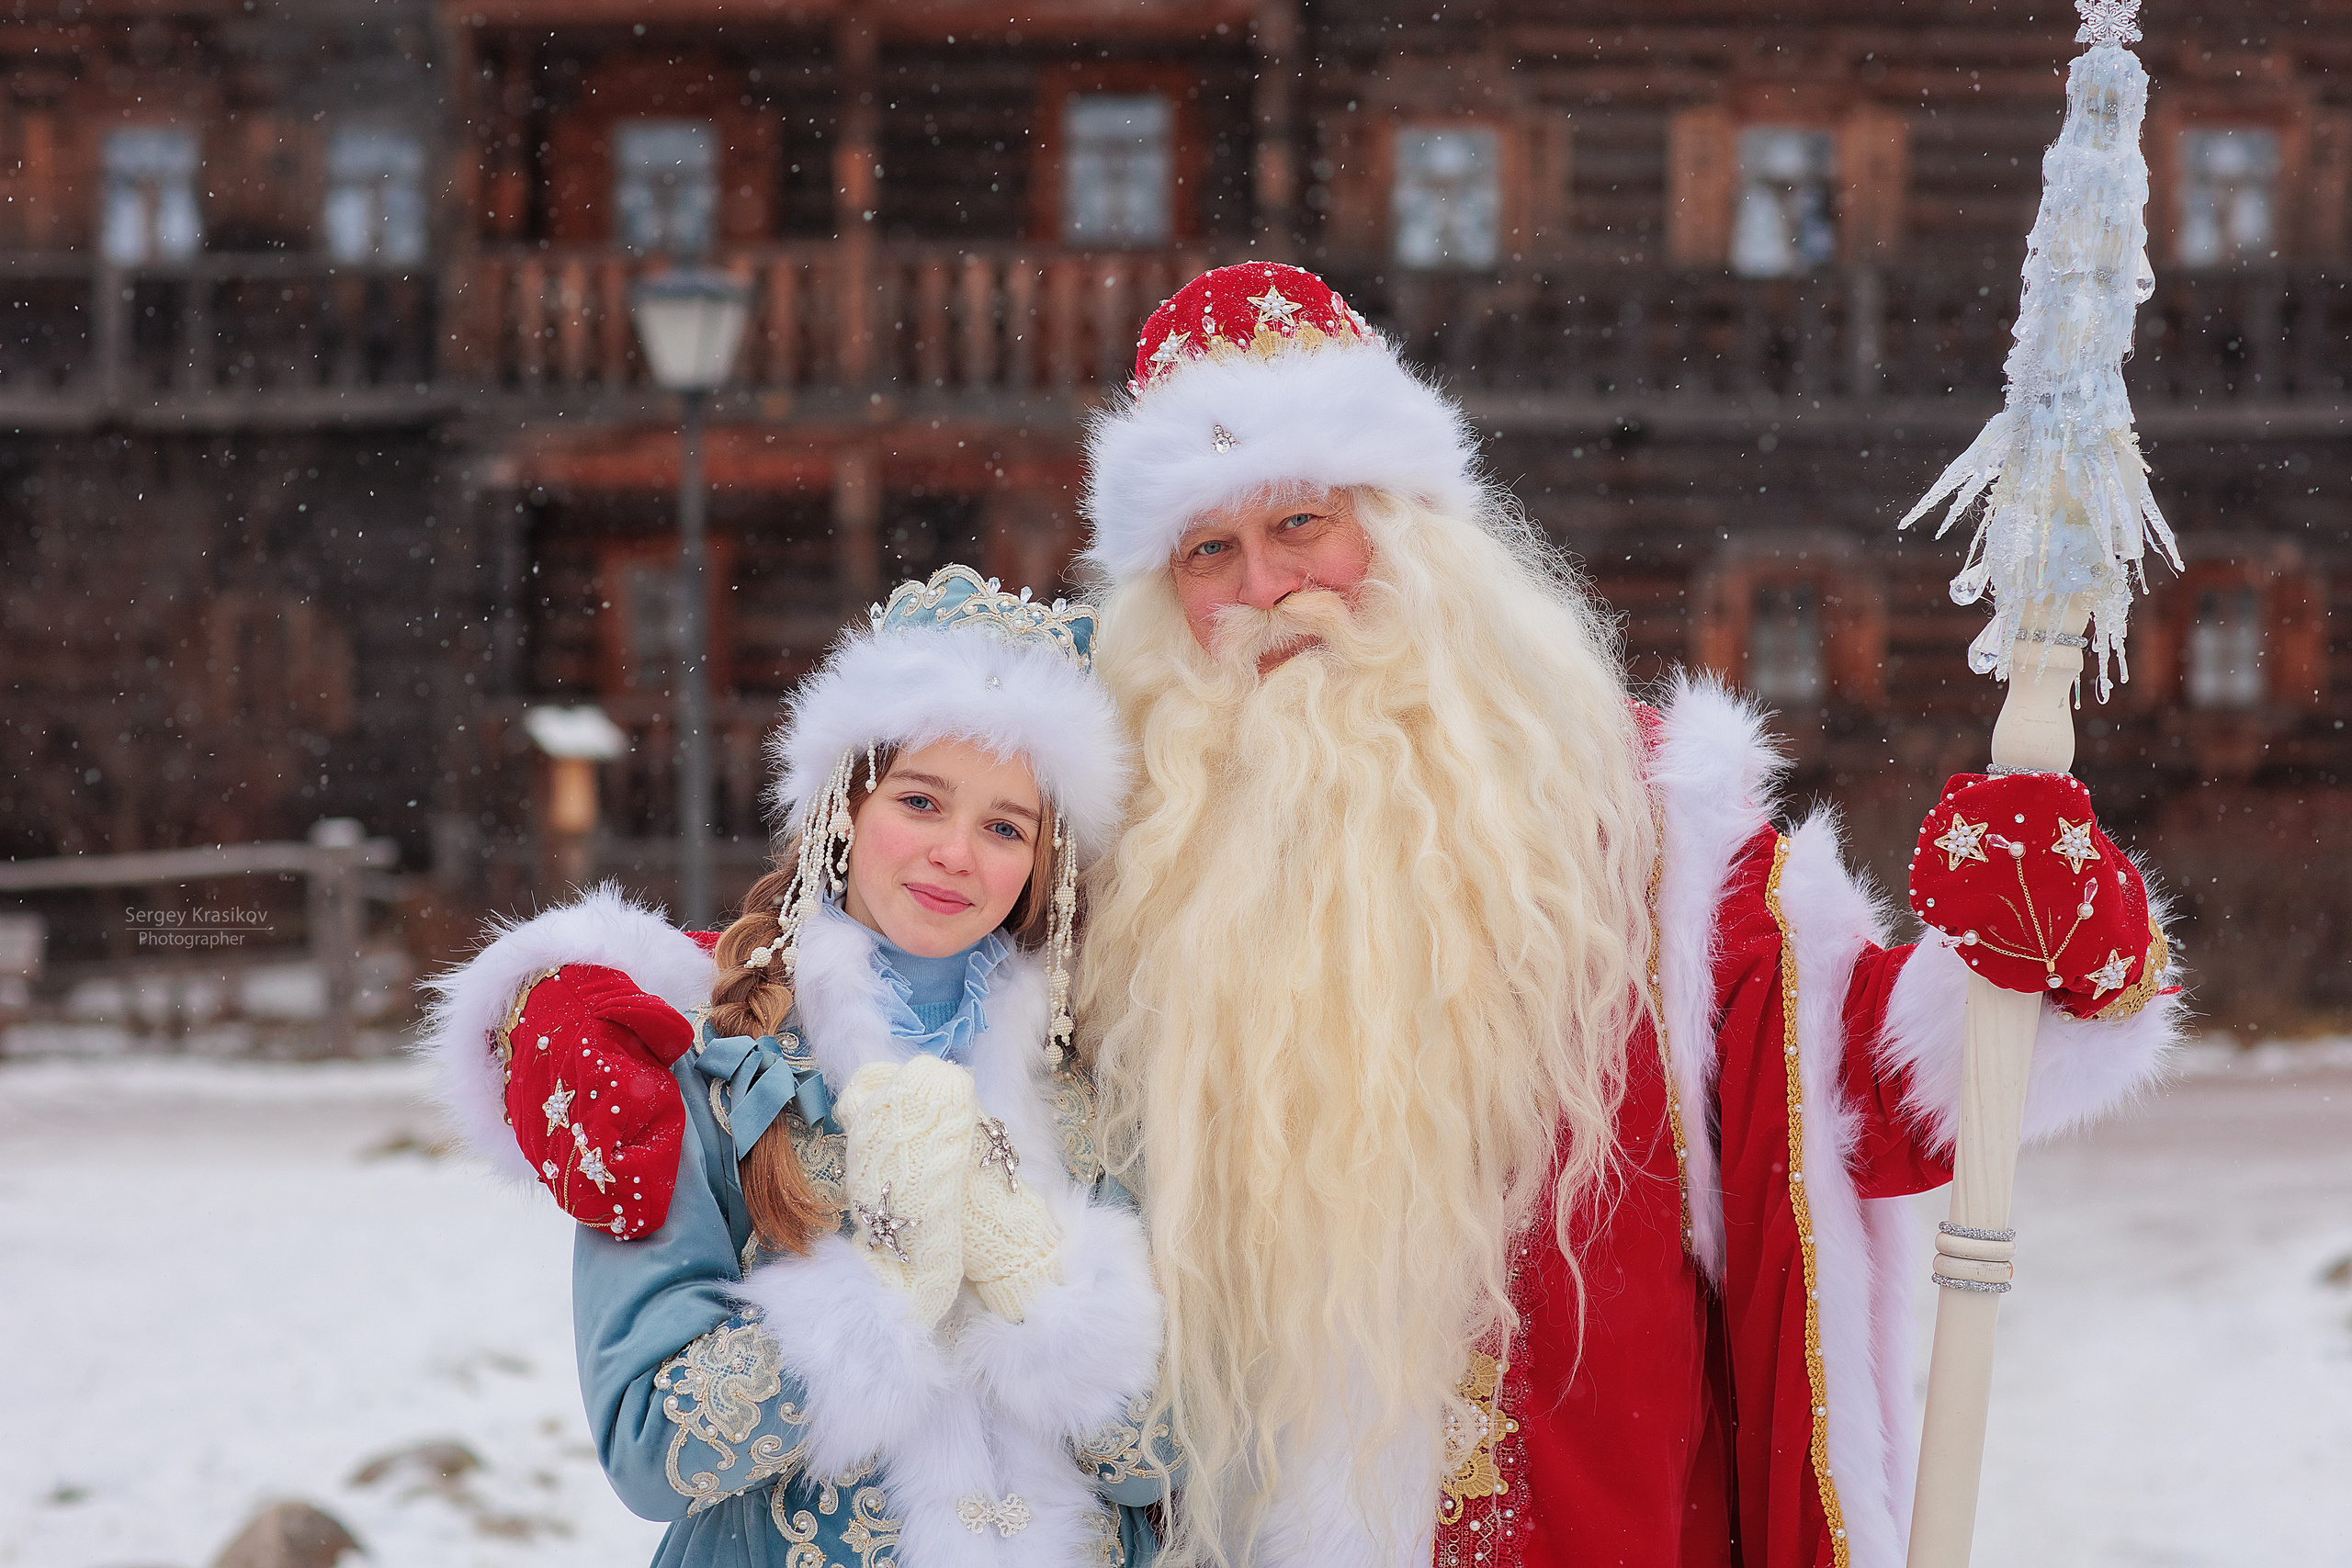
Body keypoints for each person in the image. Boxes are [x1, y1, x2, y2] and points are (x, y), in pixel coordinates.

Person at [1070, 261, 2183, 1568]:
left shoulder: (1652, 830)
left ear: (1408, 530)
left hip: (1604, 1514)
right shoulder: (1113, 868)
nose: (1266, 584)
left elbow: (1856, 1087)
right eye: (1211, 549)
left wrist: (2038, 949)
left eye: (1304, 523)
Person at [422, 566, 1167, 1567]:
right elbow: (646, 1448)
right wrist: (886, 1293)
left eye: (1004, 826)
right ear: (843, 809)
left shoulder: (1102, 1090)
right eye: (919, 800)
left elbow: (1175, 1462)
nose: (956, 852)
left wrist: (1049, 1304)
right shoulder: (710, 1071)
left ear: (1045, 863)